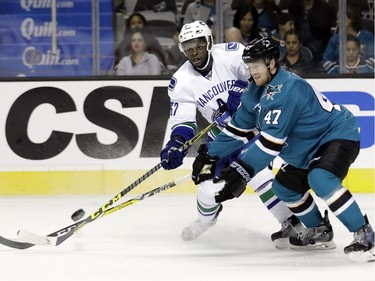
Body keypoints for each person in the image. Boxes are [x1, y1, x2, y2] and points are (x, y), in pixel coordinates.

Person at [191, 37, 375, 262]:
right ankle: (319, 230)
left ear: (271, 63)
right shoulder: (253, 93)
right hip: (305, 150)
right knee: (284, 186)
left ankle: (365, 235)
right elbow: (237, 131)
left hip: (335, 135)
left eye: (257, 65)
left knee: (320, 178)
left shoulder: (287, 88)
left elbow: (270, 143)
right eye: (249, 66)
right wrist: (210, 153)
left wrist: (242, 170)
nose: (252, 71)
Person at [160, 20, 302, 248]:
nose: (194, 52)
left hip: (252, 126)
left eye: (197, 45)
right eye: (188, 47)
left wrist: (246, 91)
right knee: (206, 186)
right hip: (221, 137)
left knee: (256, 174)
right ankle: (206, 219)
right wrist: (176, 143)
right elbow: (184, 121)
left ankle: (291, 222)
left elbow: (263, 76)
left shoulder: (232, 53)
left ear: (208, 43)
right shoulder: (181, 81)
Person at [322, 5, 374, 73]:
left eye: (340, 18)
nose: (337, 22)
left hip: (364, 77)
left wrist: (361, 71)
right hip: (339, 78)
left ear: (351, 19)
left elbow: (373, 57)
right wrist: (339, 72)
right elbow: (326, 60)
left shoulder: (367, 36)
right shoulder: (335, 39)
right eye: (337, 19)